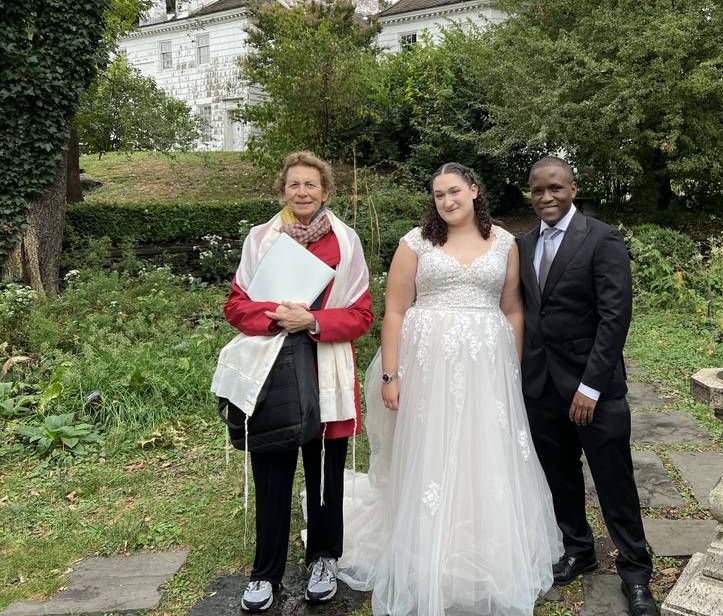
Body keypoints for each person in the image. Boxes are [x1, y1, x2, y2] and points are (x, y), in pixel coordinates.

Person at [337, 163, 561, 616]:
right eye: (439, 194)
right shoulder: (415, 242)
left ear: (474, 191)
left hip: (487, 365)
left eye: (455, 191)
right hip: (428, 363)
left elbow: (513, 308)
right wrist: (391, 374)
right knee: (432, 448)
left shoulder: (504, 242)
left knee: (485, 449)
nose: (447, 201)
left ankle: (481, 544)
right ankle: (425, 547)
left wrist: (511, 368)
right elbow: (396, 312)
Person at [211, 152, 373, 612]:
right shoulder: (261, 239)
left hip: (326, 369)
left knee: (325, 477)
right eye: (294, 185)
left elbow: (362, 315)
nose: (302, 192)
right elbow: (235, 307)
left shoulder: (345, 242)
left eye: (311, 185)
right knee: (272, 473)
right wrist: (277, 316)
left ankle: (324, 558)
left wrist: (314, 319)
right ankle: (266, 574)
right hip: (272, 374)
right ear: (283, 190)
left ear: (325, 192)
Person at [518, 156, 659, 616]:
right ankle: (578, 547)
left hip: (592, 389)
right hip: (540, 386)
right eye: (538, 190)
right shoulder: (523, 245)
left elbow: (615, 318)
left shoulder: (602, 239)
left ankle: (636, 572)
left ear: (573, 188)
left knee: (614, 482)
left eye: (555, 188)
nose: (546, 198)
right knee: (560, 476)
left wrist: (591, 387)